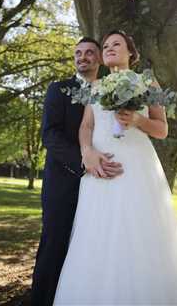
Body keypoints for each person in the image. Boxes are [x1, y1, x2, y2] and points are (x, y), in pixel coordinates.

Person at [53, 30, 177, 305]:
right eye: (107, 45)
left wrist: (137, 120)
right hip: (99, 170)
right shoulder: (95, 87)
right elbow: (86, 126)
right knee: (96, 235)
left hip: (137, 167)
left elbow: (162, 129)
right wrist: (87, 152)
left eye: (116, 44)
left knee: (139, 232)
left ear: (130, 53)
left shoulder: (148, 82)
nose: (110, 48)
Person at [31, 37, 123, 306]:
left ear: (99, 59)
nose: (83, 57)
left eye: (90, 53)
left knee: (88, 250)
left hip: (102, 186)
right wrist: (84, 160)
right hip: (63, 183)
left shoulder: (109, 91)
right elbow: (49, 135)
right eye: (78, 53)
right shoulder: (58, 89)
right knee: (54, 246)